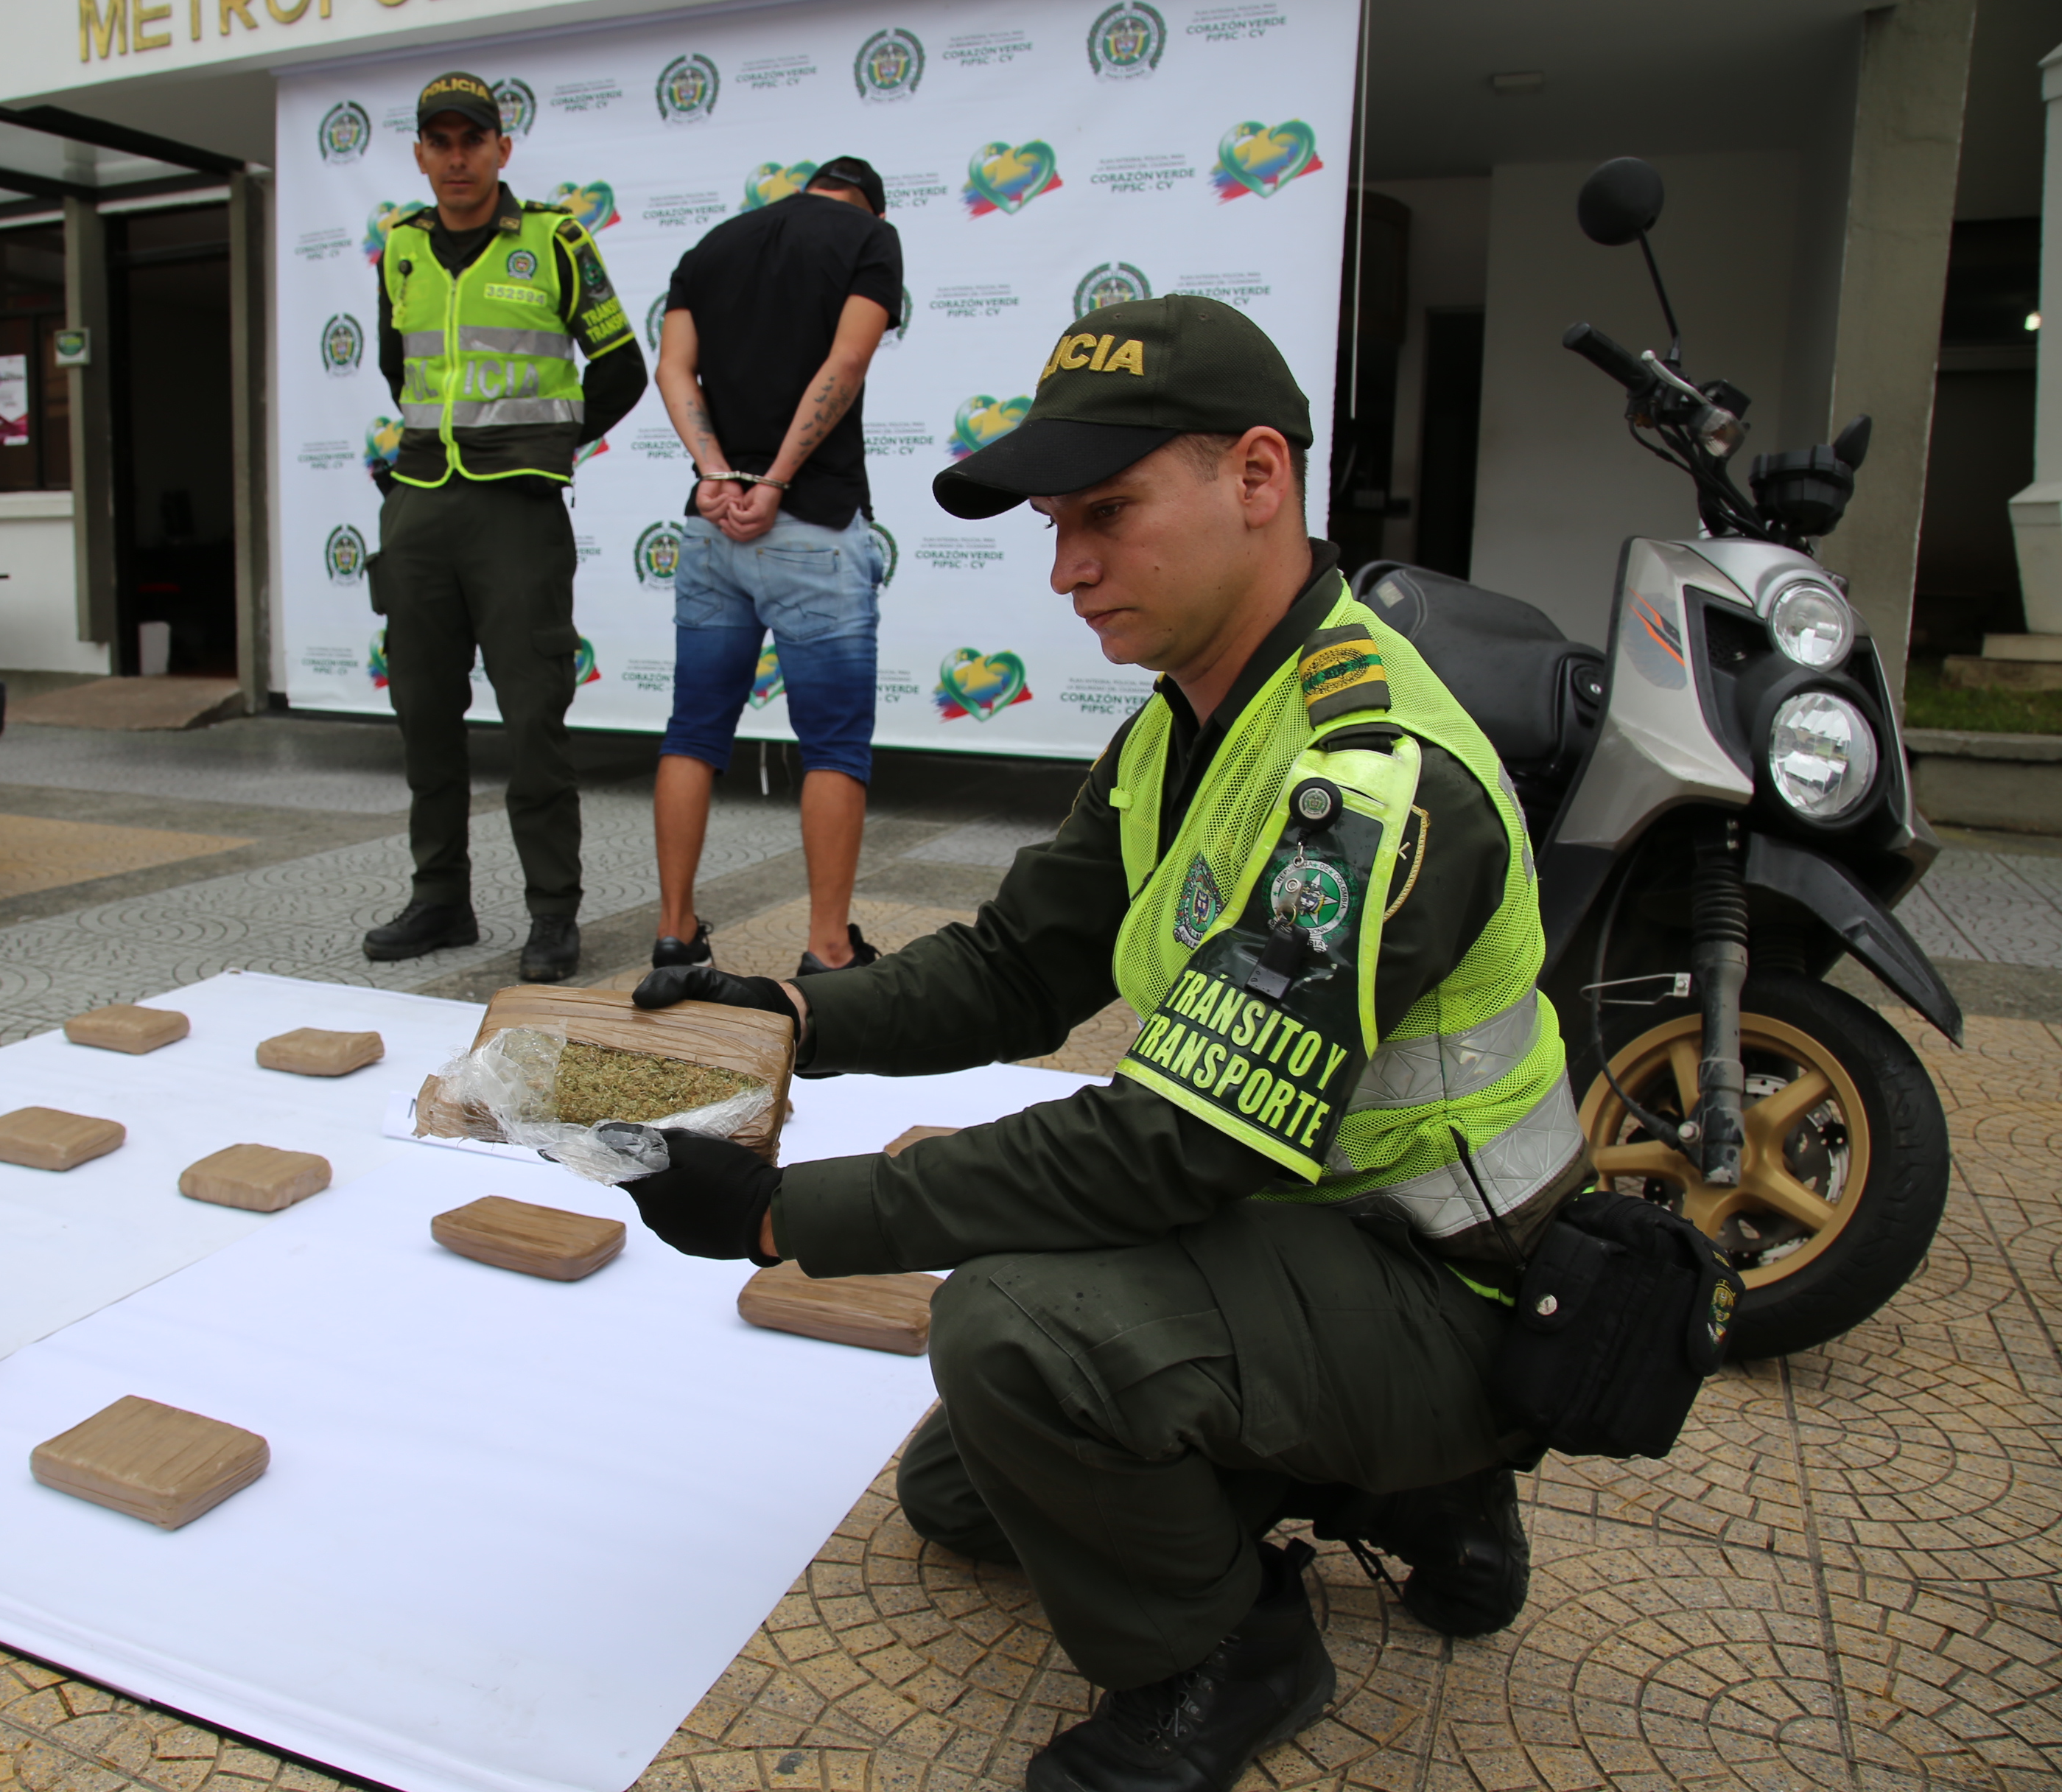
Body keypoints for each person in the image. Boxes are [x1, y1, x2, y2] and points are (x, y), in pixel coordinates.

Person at [608, 298, 1586, 1792]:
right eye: (1057, 524)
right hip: (1293, 1231)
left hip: (1442, 1282)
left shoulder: (1370, 777)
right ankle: (1395, 1486)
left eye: (1108, 516)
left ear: (1258, 477)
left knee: (1014, 1338)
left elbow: (1173, 1143)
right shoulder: (1186, 721)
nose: (1066, 571)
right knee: (967, 1491)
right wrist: (790, 1012)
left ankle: (1241, 1647)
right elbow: (1018, 967)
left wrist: (779, 1213)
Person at [360, 71, 647, 983]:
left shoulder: (556, 240)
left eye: (471, 141)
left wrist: (548, 443)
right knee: (424, 718)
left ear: (501, 151)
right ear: (420, 155)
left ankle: (552, 913)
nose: (456, 157)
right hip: (418, 505)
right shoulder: (399, 249)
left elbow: (622, 368)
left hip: (517, 510)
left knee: (533, 722)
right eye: (439, 142)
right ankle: (440, 897)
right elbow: (394, 364)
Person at [649, 155, 903, 978]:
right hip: (814, 522)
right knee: (834, 748)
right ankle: (829, 947)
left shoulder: (714, 246)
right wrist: (778, 478)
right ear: (866, 203)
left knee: (693, 730)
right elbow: (847, 364)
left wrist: (718, 470)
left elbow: (672, 370)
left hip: (712, 525)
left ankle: (675, 932)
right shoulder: (871, 238)